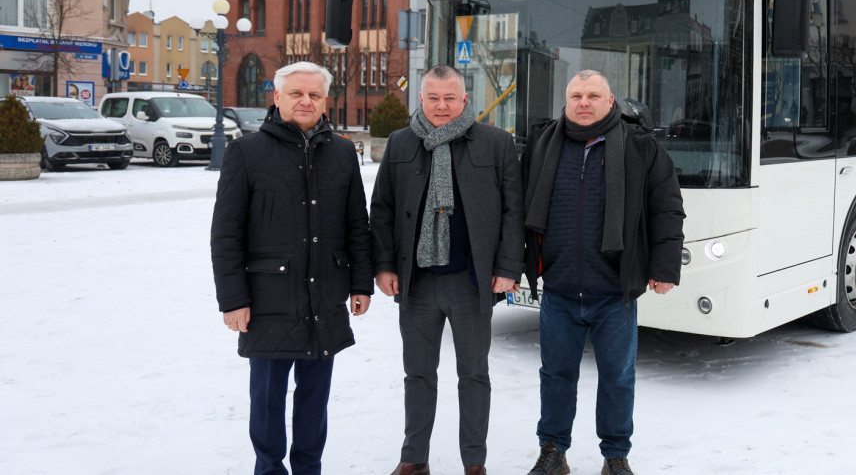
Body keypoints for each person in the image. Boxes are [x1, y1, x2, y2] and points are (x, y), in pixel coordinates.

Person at [210, 61, 373, 475]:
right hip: (267, 301)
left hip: (325, 297)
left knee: (314, 400)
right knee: (267, 400)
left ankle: (308, 469)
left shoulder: (341, 151)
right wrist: (233, 300)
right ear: (277, 97)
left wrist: (361, 283)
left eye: (314, 95)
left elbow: (357, 224)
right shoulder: (246, 152)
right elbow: (226, 234)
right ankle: (269, 470)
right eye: (297, 93)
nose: (306, 101)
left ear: (325, 101)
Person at [522, 70, 685, 475]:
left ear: (610, 101)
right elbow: (519, 207)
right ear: (566, 101)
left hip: (614, 291)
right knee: (555, 376)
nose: (584, 102)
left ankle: (615, 455)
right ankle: (553, 450)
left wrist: (663, 267)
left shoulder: (640, 147)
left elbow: (666, 208)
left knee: (617, 377)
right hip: (559, 288)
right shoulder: (543, 144)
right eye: (576, 95)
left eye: (593, 95)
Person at [370, 65, 525, 475]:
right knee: (417, 374)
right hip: (417, 282)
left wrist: (508, 267)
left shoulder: (495, 143)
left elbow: (514, 212)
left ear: (464, 100)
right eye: (433, 98)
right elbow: (382, 209)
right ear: (421, 99)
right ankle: (414, 459)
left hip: (470, 282)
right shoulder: (402, 143)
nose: (441, 106)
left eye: (449, 98)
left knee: (474, 375)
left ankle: (474, 463)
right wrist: (384, 265)